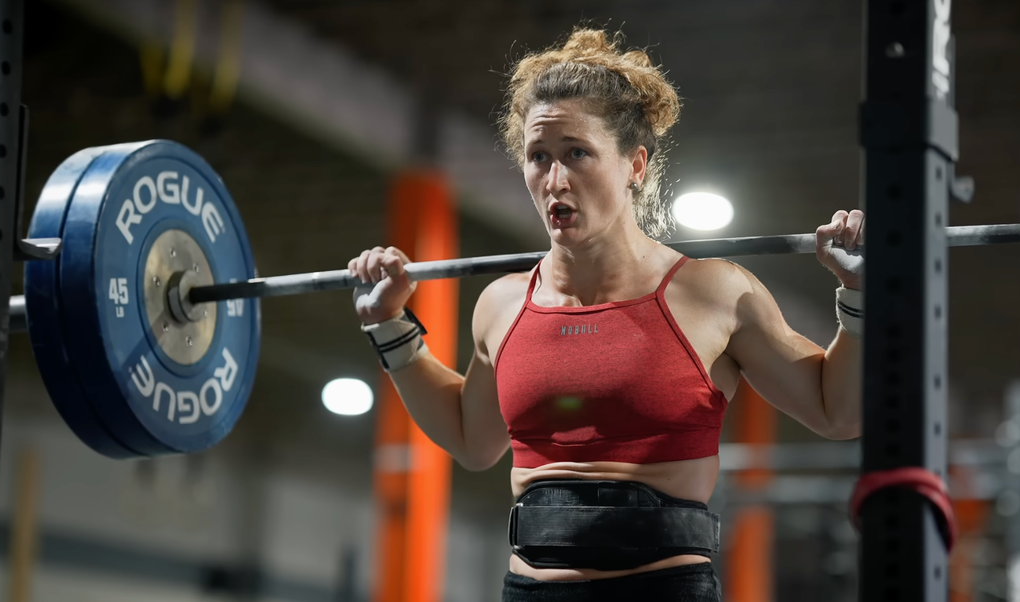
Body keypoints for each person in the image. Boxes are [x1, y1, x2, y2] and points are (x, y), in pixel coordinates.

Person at [348, 28, 863, 602]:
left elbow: (836, 411)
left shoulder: (714, 293)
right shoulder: (503, 304)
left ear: (635, 164)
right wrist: (389, 324)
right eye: (538, 157)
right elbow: (473, 441)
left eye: (577, 153)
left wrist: (860, 294)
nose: (555, 180)